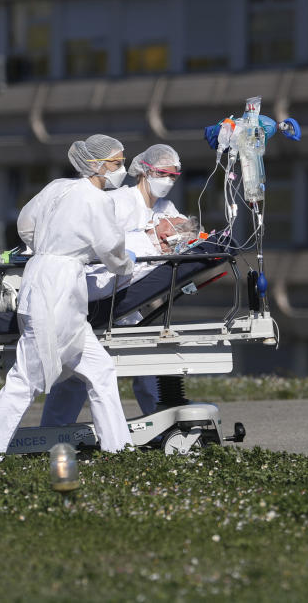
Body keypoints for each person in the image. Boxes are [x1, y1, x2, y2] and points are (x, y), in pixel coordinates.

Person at [0, 134, 136, 461]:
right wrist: (125, 265)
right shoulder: (97, 200)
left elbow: (25, 223)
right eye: (117, 163)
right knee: (25, 381)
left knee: (101, 370)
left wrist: (49, 245)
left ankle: (118, 450)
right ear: (96, 165)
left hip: (41, 280)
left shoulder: (57, 187)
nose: (123, 170)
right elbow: (111, 249)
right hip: (58, 293)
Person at [40, 144, 193, 427]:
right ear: (145, 171)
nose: (170, 181)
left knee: (147, 368)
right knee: (75, 375)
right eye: (164, 174)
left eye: (175, 176)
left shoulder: (166, 208)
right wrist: (145, 238)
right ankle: (52, 433)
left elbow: (185, 231)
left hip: (130, 300)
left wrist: (174, 234)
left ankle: (160, 425)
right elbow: (100, 242)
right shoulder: (118, 201)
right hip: (99, 292)